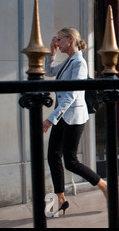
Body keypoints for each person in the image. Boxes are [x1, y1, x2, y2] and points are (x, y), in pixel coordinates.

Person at [42, 27, 107, 216]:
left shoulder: (80, 62)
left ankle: (102, 184)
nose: (57, 43)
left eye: (59, 40)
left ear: (70, 39)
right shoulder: (68, 61)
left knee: (70, 161)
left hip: (74, 117)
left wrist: (51, 119)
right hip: (63, 115)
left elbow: (72, 94)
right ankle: (61, 199)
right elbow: (48, 72)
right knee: (53, 155)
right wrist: (51, 54)